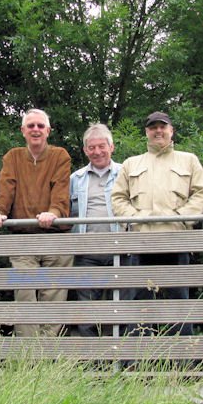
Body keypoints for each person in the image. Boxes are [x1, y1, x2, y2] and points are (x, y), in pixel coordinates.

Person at [111, 111, 203, 336]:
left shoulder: (189, 160)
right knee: (140, 304)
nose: (158, 131)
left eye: (162, 127)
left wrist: (181, 218)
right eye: (153, 127)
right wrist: (136, 219)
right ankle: (139, 363)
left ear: (171, 130)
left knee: (179, 303)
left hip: (176, 242)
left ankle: (183, 363)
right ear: (147, 132)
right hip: (141, 243)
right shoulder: (131, 163)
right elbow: (118, 198)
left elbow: (200, 194)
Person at [0, 108, 72, 337]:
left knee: (53, 294)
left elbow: (61, 191)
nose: (36, 130)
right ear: (23, 131)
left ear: (48, 131)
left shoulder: (59, 155)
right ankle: (27, 355)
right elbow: (6, 190)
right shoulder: (13, 156)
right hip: (23, 235)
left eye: (40, 126)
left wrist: (53, 212)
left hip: (55, 234)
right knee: (24, 291)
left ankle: (47, 352)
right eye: (31, 126)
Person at [69, 124, 135, 337]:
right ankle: (90, 363)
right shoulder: (75, 178)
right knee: (87, 309)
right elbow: (68, 212)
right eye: (91, 147)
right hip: (87, 252)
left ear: (111, 147)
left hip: (121, 249)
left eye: (101, 146)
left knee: (125, 307)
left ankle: (126, 361)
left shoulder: (126, 173)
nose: (97, 152)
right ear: (85, 150)